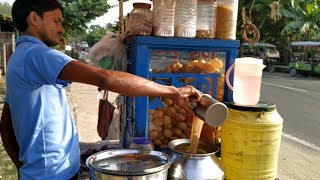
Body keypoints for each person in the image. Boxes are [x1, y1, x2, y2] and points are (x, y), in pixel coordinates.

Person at [0, 0, 202, 179]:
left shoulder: (19, 58)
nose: (61, 29)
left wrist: (23, 167)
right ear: (34, 18)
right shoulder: (37, 54)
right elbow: (105, 78)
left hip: (42, 172)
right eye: (56, 21)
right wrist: (172, 92)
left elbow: (6, 124)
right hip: (50, 174)